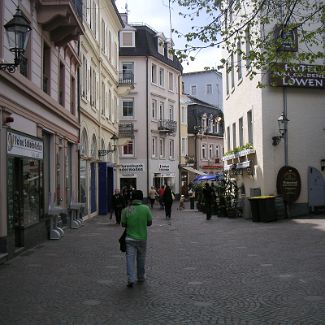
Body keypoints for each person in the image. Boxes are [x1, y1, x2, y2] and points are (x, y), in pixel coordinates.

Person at [121, 190, 153, 288]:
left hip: (130, 238)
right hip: (142, 238)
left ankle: (131, 279)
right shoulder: (146, 209)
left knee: (130, 259)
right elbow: (149, 223)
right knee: (141, 258)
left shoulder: (126, 210)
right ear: (141, 198)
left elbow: (123, 224)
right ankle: (141, 277)